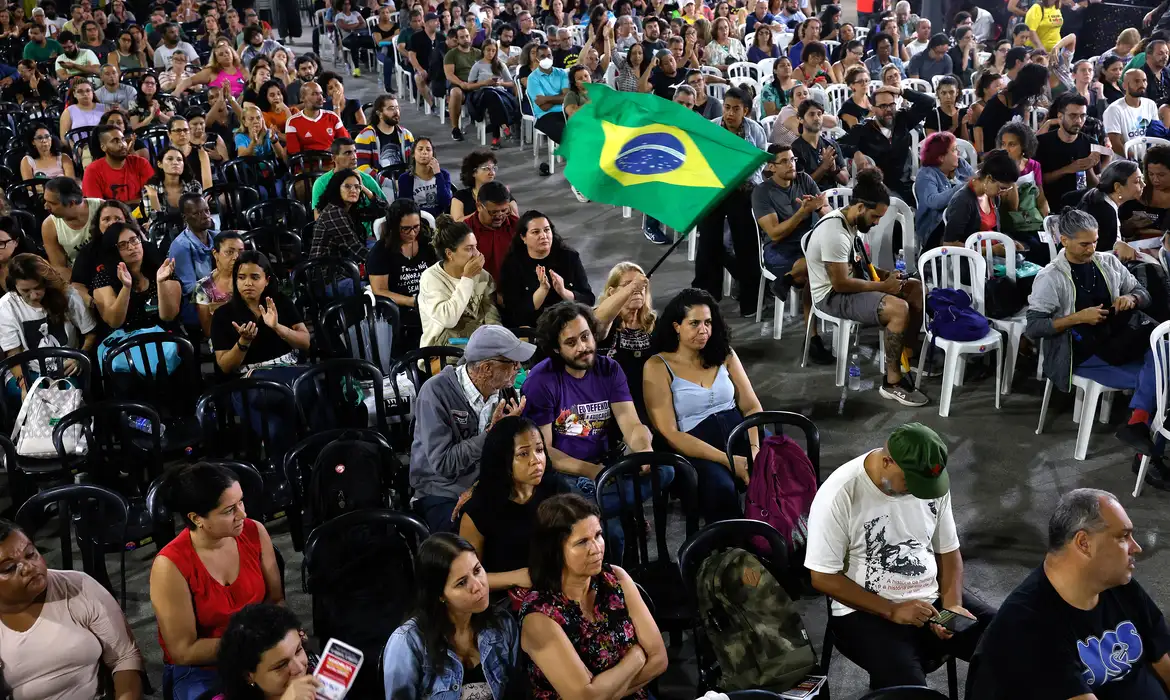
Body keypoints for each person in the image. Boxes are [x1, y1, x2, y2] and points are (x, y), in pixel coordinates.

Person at [805, 422, 996, 689]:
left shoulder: (931, 486)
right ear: (887, 462)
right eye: (911, 482)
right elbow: (822, 576)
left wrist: (952, 606)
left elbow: (949, 551)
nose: (920, 492)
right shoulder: (840, 493)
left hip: (931, 598)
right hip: (865, 609)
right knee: (908, 690)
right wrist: (891, 610)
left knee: (1011, 646)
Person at [967, 489, 1170, 698]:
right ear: (1084, 543)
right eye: (1123, 537)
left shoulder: (1120, 586)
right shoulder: (1027, 626)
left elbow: (1162, 657)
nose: (1135, 547)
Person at [150, 463, 283, 700]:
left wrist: (285, 632)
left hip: (260, 650)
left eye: (241, 502)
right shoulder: (170, 565)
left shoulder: (254, 532)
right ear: (197, 518)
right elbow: (183, 651)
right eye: (229, 510)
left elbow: (276, 600)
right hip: (204, 668)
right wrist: (251, 645)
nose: (243, 514)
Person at [517, 493, 668, 700]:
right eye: (582, 542)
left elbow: (659, 659)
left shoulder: (614, 577)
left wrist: (603, 692)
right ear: (554, 551)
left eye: (598, 535)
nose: (596, 548)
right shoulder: (539, 615)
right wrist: (637, 656)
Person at [805, 169, 928, 406]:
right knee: (898, 309)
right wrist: (884, 286)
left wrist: (889, 278)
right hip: (832, 296)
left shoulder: (850, 223)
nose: (877, 222)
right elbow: (840, 283)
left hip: (848, 285)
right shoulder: (834, 232)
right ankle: (892, 382)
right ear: (860, 207)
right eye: (875, 217)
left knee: (915, 289)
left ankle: (905, 357)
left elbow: (860, 265)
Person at [640, 288, 762, 522]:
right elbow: (669, 432)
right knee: (721, 490)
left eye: (708, 322)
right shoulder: (657, 365)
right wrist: (728, 461)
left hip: (741, 437)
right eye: (694, 323)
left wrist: (755, 451)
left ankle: (780, 544)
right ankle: (735, 552)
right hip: (696, 448)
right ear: (677, 326)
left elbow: (752, 408)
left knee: (777, 473)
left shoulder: (724, 353)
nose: (703, 330)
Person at [0, 519, 144, 700]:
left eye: (30, 554)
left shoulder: (78, 587)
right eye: (9, 568)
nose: (29, 567)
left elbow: (124, 658)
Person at [409, 325, 532, 531]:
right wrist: (491, 435)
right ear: (486, 369)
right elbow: (444, 464)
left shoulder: (505, 392)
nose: (518, 369)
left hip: (487, 484)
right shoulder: (435, 392)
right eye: (512, 363)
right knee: (465, 543)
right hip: (441, 491)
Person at [1026, 208, 1154, 400]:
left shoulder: (1108, 262)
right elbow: (1034, 328)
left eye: (1095, 241)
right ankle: (1141, 418)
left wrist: (1132, 298)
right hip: (1079, 353)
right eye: (1084, 244)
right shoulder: (1050, 277)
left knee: (1163, 349)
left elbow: (1144, 294)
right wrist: (1077, 318)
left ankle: (1140, 418)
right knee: (1158, 376)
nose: (1092, 249)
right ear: (1065, 241)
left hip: (1114, 340)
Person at [383, 532, 521, 698]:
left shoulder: (503, 623)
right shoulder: (407, 643)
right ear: (440, 595)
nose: (478, 586)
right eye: (462, 583)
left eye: (477, 570)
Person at [460, 416, 565, 589]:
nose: (536, 460)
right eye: (523, 454)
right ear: (503, 459)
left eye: (539, 450)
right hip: (507, 599)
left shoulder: (556, 489)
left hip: (556, 585)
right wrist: (516, 578)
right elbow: (468, 578)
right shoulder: (479, 511)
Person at [754, 146, 834, 364]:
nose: (792, 165)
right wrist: (802, 213)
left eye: (793, 159)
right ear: (771, 167)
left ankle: (788, 281)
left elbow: (827, 213)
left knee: (823, 267)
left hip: (807, 247)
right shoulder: (762, 192)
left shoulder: (804, 180)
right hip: (778, 250)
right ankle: (814, 338)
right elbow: (775, 234)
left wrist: (819, 209)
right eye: (785, 161)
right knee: (816, 270)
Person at [694, 86, 767, 317]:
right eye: (727, 108)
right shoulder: (712, 128)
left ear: (745, 111)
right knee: (708, 242)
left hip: (743, 190)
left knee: (747, 245)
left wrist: (743, 178)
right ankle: (707, 296)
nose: (730, 113)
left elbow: (760, 163)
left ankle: (750, 299)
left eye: (736, 109)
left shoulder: (755, 130)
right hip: (714, 191)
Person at [0, 252, 97, 394]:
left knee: (68, 395)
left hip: (67, 367)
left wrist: (79, 357)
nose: (33, 295)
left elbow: (90, 333)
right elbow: (14, 354)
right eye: (25, 290)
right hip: (29, 371)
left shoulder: (68, 295)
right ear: (15, 286)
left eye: (38, 288)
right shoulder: (6, 306)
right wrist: (24, 385)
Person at [210, 250, 309, 376]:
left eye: (255, 277)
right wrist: (244, 341)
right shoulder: (222, 314)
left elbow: (305, 343)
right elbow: (225, 366)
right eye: (241, 277)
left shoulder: (281, 301)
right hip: (249, 380)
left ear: (267, 280)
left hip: (287, 369)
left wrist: (278, 327)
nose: (248, 283)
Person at [839, 84, 935, 205]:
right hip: (878, 186)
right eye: (883, 106)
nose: (888, 109)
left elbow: (929, 102)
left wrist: (901, 91)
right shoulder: (864, 129)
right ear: (873, 108)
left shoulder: (902, 119)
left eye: (891, 104)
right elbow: (838, 145)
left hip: (905, 183)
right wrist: (855, 152)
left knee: (931, 201)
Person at [418, 214, 501, 347]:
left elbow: (492, 317)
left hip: (478, 344)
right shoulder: (431, 278)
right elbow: (448, 320)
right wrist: (467, 278)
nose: (476, 253)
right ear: (449, 253)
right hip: (441, 349)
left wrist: (498, 343)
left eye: (475, 246)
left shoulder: (483, 276)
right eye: (469, 249)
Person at [499, 211, 594, 328]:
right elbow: (514, 312)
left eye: (547, 230)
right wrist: (542, 290)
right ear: (523, 237)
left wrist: (564, 292)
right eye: (535, 232)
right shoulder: (512, 265)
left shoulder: (569, 257)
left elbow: (588, 300)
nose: (543, 236)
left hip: (569, 322)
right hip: (533, 327)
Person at [215, 604, 321, 700]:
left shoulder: (320, 676)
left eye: (298, 650)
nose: (299, 668)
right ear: (248, 676)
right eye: (281, 665)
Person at [91, 222, 181, 331]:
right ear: (113, 251)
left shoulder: (161, 268)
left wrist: (161, 283)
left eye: (134, 240)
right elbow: (114, 322)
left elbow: (169, 316)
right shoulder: (104, 277)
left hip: (164, 337)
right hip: (126, 341)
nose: (131, 247)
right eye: (123, 245)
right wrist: (126, 287)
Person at [940, 149, 1020, 248]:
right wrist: (990, 250)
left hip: (992, 253)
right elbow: (949, 244)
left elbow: (995, 232)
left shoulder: (993, 197)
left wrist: (1008, 243)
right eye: (1002, 188)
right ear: (989, 178)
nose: (1003, 193)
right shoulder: (963, 201)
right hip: (972, 260)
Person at [1036, 92, 1100, 208]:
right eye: (1073, 116)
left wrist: (1088, 168)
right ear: (1060, 117)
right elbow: (1039, 181)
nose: (1079, 121)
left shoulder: (1091, 144)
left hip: (1081, 205)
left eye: (1082, 116)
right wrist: (1068, 169)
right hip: (1051, 203)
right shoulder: (1042, 143)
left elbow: (1096, 186)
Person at [914, 132, 975, 251]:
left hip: (964, 219)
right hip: (935, 227)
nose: (958, 153)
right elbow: (934, 201)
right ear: (941, 157)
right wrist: (963, 187)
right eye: (954, 150)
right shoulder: (926, 174)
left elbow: (976, 185)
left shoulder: (961, 164)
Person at [1078, 159, 1147, 258]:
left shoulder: (1098, 196)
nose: (1143, 184)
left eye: (1142, 179)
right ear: (1117, 187)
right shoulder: (1106, 212)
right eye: (1137, 181)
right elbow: (1106, 257)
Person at [974, 63, 1048, 154]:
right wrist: (981, 154)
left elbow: (1024, 132)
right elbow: (978, 127)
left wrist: (1047, 123)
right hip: (995, 153)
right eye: (1041, 85)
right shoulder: (1000, 100)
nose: (1042, 89)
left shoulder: (1024, 101)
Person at [168, 192, 216, 329]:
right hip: (195, 302)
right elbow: (192, 289)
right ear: (185, 217)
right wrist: (221, 298)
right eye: (197, 213)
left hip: (219, 291)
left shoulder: (216, 236)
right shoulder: (180, 246)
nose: (205, 216)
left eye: (206, 210)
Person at [355, 94, 416, 193]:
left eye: (397, 108)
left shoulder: (406, 135)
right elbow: (362, 168)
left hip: (404, 182)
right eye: (391, 109)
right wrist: (389, 183)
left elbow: (413, 163)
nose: (396, 112)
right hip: (379, 186)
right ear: (379, 113)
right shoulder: (365, 136)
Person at [466, 38, 519, 149]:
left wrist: (500, 83)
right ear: (483, 50)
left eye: (493, 51)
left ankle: (496, 137)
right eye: (488, 50)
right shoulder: (478, 65)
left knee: (493, 99)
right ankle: (504, 126)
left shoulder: (500, 64)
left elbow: (511, 83)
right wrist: (484, 83)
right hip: (481, 95)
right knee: (489, 94)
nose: (490, 53)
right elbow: (469, 85)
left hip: (499, 93)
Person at [310, 168, 370, 265]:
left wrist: (367, 192)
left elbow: (383, 212)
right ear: (336, 188)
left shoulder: (350, 210)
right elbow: (355, 247)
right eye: (347, 186)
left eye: (357, 187)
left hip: (346, 267)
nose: (353, 190)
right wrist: (384, 262)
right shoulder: (333, 212)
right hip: (328, 274)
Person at [81, 125, 153, 205]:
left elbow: (153, 197)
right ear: (103, 147)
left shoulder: (141, 163)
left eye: (123, 140)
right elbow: (95, 207)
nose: (122, 144)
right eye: (115, 141)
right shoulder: (92, 171)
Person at [463, 181, 518, 283]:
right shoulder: (463, 231)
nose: (500, 216)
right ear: (479, 206)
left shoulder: (517, 226)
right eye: (494, 212)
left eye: (504, 210)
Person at [527, 44, 570, 173]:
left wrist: (547, 98)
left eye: (549, 55)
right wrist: (560, 97)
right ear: (537, 59)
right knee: (565, 133)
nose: (546, 58)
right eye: (542, 56)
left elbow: (567, 97)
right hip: (545, 116)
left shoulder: (561, 73)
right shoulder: (533, 78)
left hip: (565, 111)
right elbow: (544, 107)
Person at [195, 231, 244, 340]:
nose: (236, 257)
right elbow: (208, 331)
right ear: (215, 254)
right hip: (222, 342)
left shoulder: (250, 279)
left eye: (241, 252)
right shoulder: (203, 287)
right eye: (229, 252)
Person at [791, 99, 846, 190]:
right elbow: (802, 186)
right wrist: (824, 167)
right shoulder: (795, 149)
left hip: (835, 198)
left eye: (819, 114)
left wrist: (834, 169)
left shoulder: (831, 145)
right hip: (810, 200)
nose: (817, 118)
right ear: (800, 119)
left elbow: (845, 180)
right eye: (811, 114)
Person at [284, 81, 350, 155]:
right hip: (307, 165)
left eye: (320, 93)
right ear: (302, 98)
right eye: (314, 94)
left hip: (333, 164)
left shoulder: (333, 117)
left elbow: (346, 143)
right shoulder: (293, 122)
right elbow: (294, 153)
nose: (320, 97)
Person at [1104, 68, 1159, 157]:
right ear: (1124, 85)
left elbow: (1156, 134)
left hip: (1150, 161)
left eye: (1144, 81)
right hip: (1125, 164)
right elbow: (1116, 145)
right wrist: (1136, 160)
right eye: (1136, 81)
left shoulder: (1150, 104)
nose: (1142, 84)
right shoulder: (1114, 110)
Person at [397, 137, 453, 218]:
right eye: (420, 149)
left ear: (433, 154)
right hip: (417, 219)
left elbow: (445, 203)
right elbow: (406, 208)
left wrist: (438, 174)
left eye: (428, 149)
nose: (424, 152)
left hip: (440, 219)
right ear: (413, 154)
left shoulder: (443, 175)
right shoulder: (405, 179)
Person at [142, 146, 202, 221]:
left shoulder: (194, 185)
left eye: (179, 160)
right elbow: (156, 223)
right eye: (170, 159)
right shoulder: (151, 189)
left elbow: (198, 218)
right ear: (159, 164)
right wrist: (153, 197)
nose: (175, 162)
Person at [172, 42, 246, 98]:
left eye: (227, 52)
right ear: (216, 59)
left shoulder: (242, 69)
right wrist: (176, 93)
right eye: (221, 54)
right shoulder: (211, 71)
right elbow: (188, 81)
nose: (225, 55)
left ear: (232, 54)